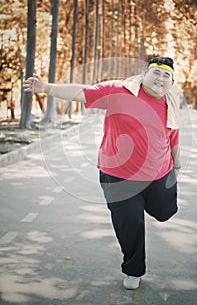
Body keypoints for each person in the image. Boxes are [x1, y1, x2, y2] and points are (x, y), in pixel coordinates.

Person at [24, 56, 181, 290]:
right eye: (155, 72)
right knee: (130, 224)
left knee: (165, 212)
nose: (160, 78)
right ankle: (133, 270)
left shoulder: (171, 104)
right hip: (119, 177)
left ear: (172, 82)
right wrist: (47, 88)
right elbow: (83, 92)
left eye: (166, 75)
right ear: (144, 75)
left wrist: (176, 166)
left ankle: (146, 203)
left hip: (159, 174)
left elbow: (173, 138)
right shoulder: (119, 91)